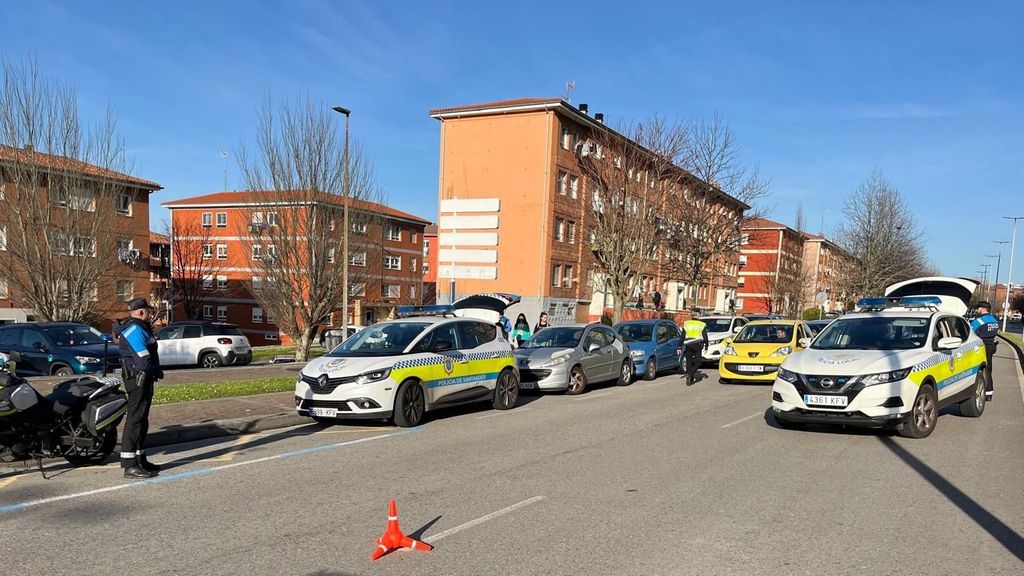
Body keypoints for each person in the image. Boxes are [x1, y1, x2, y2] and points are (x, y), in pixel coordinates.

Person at [113, 298, 164, 479]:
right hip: (137, 379)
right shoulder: (135, 330)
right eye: (148, 311)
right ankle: (130, 465)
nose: (150, 314)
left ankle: (140, 459)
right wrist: (156, 371)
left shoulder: (139, 327)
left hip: (143, 378)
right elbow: (143, 360)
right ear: (141, 312)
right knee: (135, 420)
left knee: (142, 420)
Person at [970, 301, 999, 401]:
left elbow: (971, 334)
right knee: (989, 369)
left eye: (978, 309)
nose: (977, 310)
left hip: (980, 347)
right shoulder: (994, 320)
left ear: (982, 309)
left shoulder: (979, 321)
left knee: (977, 370)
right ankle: (989, 393)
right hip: (991, 346)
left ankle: (975, 391)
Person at [681, 315, 709, 386]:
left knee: (689, 361)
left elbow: (682, 335)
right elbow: (705, 337)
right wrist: (706, 346)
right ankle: (690, 374)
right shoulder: (701, 324)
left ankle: (690, 378)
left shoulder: (686, 323)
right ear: (698, 317)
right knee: (698, 361)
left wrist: (679, 346)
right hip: (696, 344)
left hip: (688, 344)